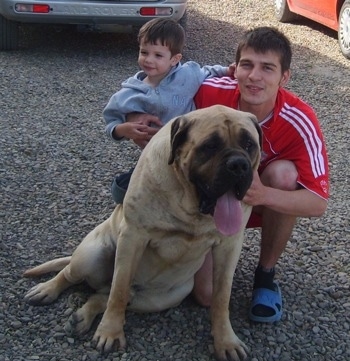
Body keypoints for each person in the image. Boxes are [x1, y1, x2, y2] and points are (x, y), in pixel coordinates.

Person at [192, 26, 329, 322]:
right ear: (235, 69)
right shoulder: (209, 94)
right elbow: (161, 88)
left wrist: (263, 194)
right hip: (213, 196)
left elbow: (317, 202)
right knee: (204, 296)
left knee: (284, 174)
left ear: (284, 77)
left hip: (262, 201)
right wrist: (133, 122)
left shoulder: (299, 118)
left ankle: (265, 275)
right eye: (247, 65)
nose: (254, 76)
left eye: (267, 68)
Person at [103, 18, 233, 202]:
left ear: (175, 59)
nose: (148, 59)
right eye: (144, 52)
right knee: (122, 194)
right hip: (157, 155)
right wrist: (123, 130)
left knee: (194, 194)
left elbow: (208, 71)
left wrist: (229, 70)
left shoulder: (188, 75)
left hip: (192, 151)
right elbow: (111, 121)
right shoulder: (130, 93)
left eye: (158, 55)